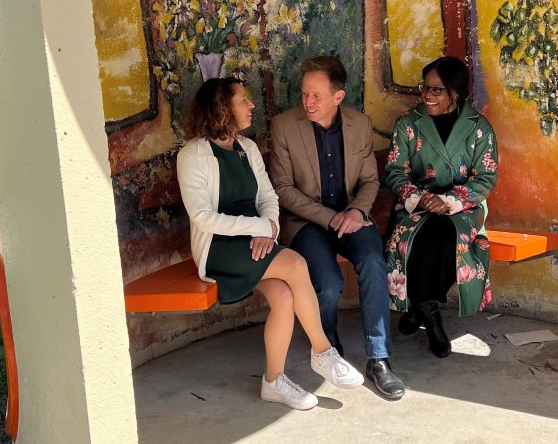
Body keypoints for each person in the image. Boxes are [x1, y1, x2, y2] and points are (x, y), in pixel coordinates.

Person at [176, 76, 364, 411]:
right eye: (242, 100)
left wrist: (270, 229)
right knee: (295, 264)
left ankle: (273, 381)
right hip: (220, 247)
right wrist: (258, 226)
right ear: (222, 107)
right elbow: (202, 217)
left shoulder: (247, 149)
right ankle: (322, 352)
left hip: (258, 241)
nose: (250, 106)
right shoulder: (193, 155)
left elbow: (268, 197)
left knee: (284, 294)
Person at [269, 56, 405, 400]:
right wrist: (331, 218)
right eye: (305, 94)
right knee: (327, 283)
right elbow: (283, 189)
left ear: (338, 97)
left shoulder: (360, 124)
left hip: (351, 215)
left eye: (316, 96)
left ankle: (379, 358)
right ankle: (327, 350)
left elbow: (370, 180)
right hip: (307, 222)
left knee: (375, 264)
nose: (308, 102)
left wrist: (357, 211)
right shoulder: (285, 126)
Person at [384, 56, 499, 358]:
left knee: (450, 242)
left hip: (462, 207)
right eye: (425, 88)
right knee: (416, 242)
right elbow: (395, 171)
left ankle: (420, 309)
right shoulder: (408, 124)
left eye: (437, 90)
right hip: (416, 205)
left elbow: (486, 177)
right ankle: (430, 314)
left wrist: (449, 201)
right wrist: (421, 197)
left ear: (455, 93)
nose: (427, 96)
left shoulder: (478, 128)